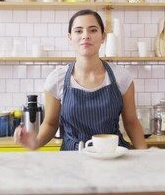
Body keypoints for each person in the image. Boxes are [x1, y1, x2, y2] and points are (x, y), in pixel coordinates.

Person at [14, 9, 147, 151]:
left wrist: (144, 153)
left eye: (93, 30)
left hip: (112, 154)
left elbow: (131, 122)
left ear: (103, 37)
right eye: (78, 31)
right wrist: (35, 143)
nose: (86, 36)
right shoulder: (56, 79)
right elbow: (51, 124)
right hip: (72, 157)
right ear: (69, 38)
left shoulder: (122, 77)